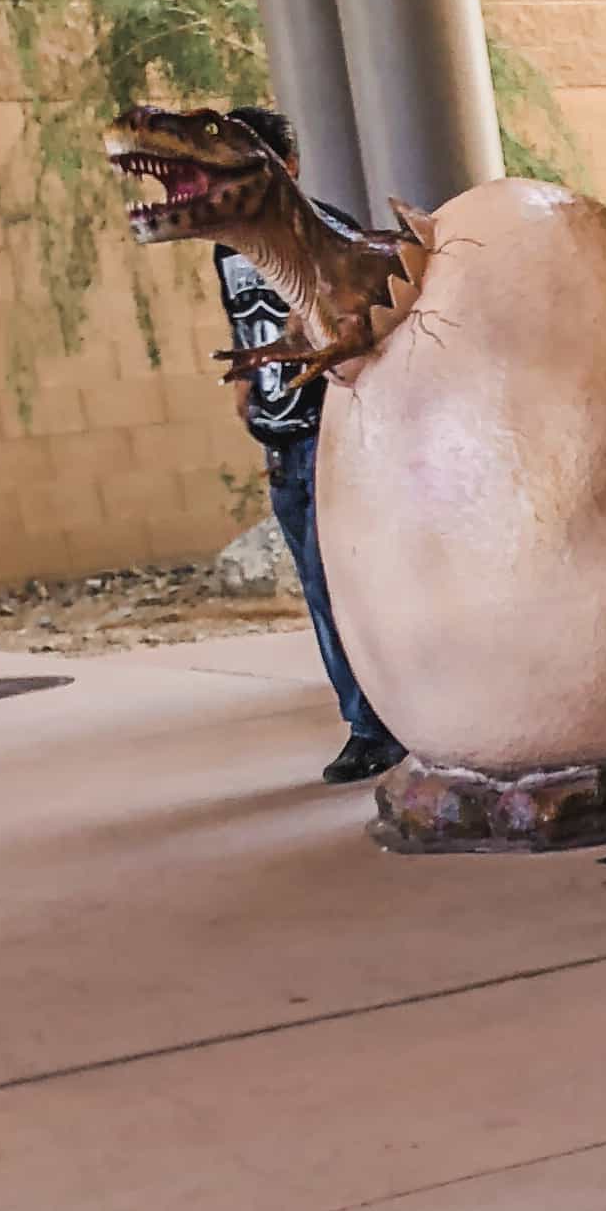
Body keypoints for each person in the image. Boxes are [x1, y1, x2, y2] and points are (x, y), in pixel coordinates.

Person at [212, 107, 402, 787]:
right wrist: (250, 392)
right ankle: (367, 721)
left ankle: (375, 726)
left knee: (341, 583)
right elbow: (244, 315)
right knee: (319, 593)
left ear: (286, 167)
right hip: (280, 438)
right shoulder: (226, 243)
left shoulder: (331, 233)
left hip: (331, 433)